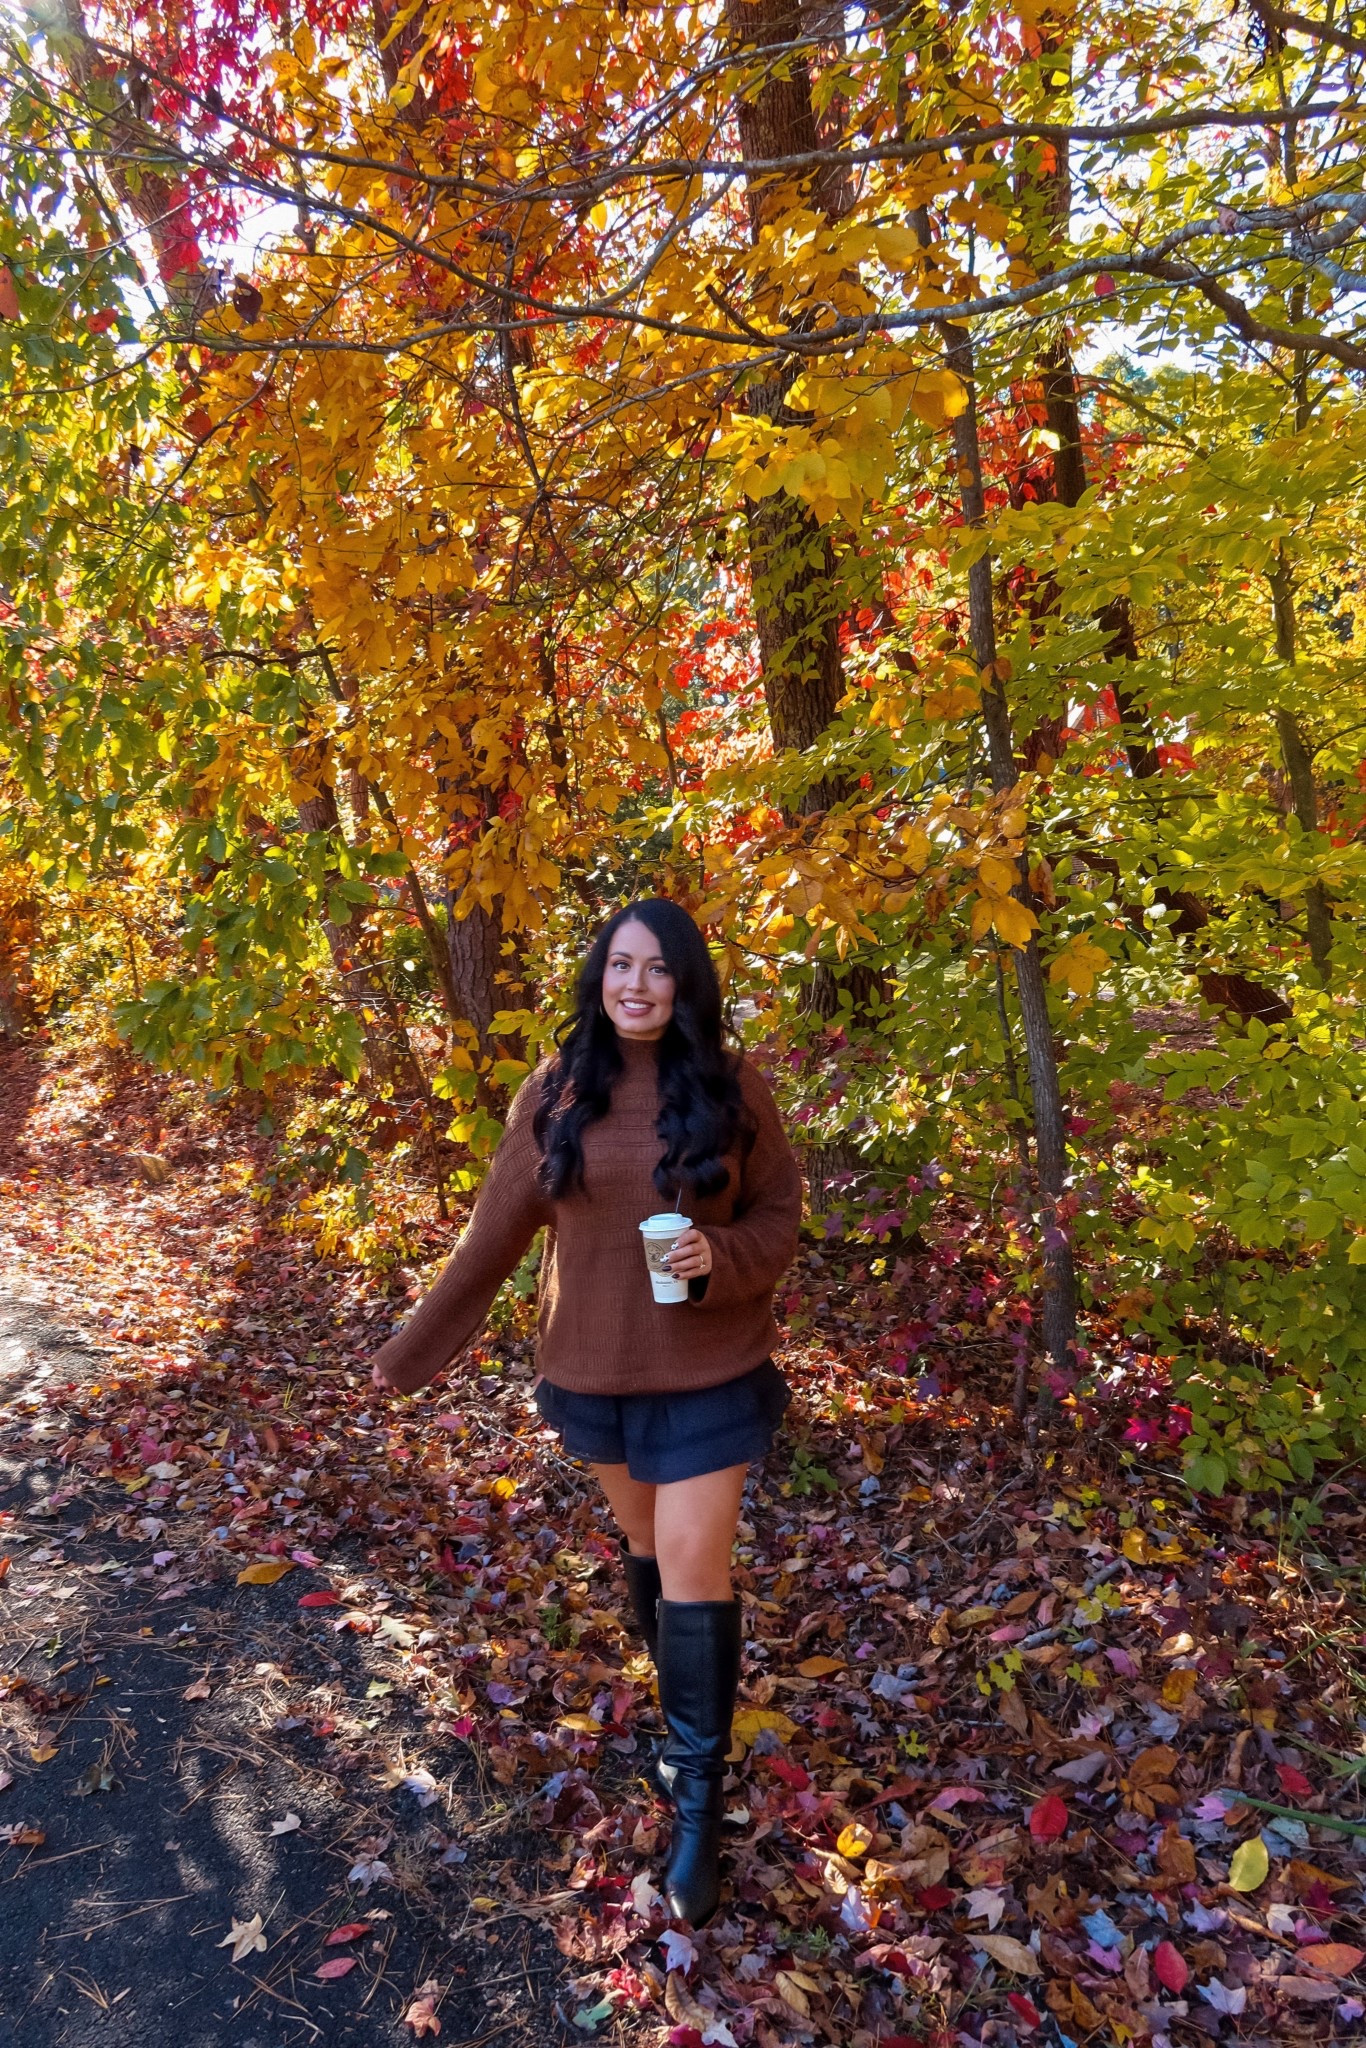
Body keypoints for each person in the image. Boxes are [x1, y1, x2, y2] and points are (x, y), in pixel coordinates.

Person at [370, 898, 803, 1925]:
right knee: (647, 1545)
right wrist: (409, 1354)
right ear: (597, 976)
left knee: (693, 1563)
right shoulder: (558, 1088)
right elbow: (492, 1236)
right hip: (596, 1370)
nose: (635, 985)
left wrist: (718, 1255)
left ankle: (697, 1801)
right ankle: (681, 1726)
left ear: (684, 982)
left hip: (710, 1367)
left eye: (656, 968)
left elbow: (780, 1217)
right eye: (620, 965)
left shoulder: (731, 1084)